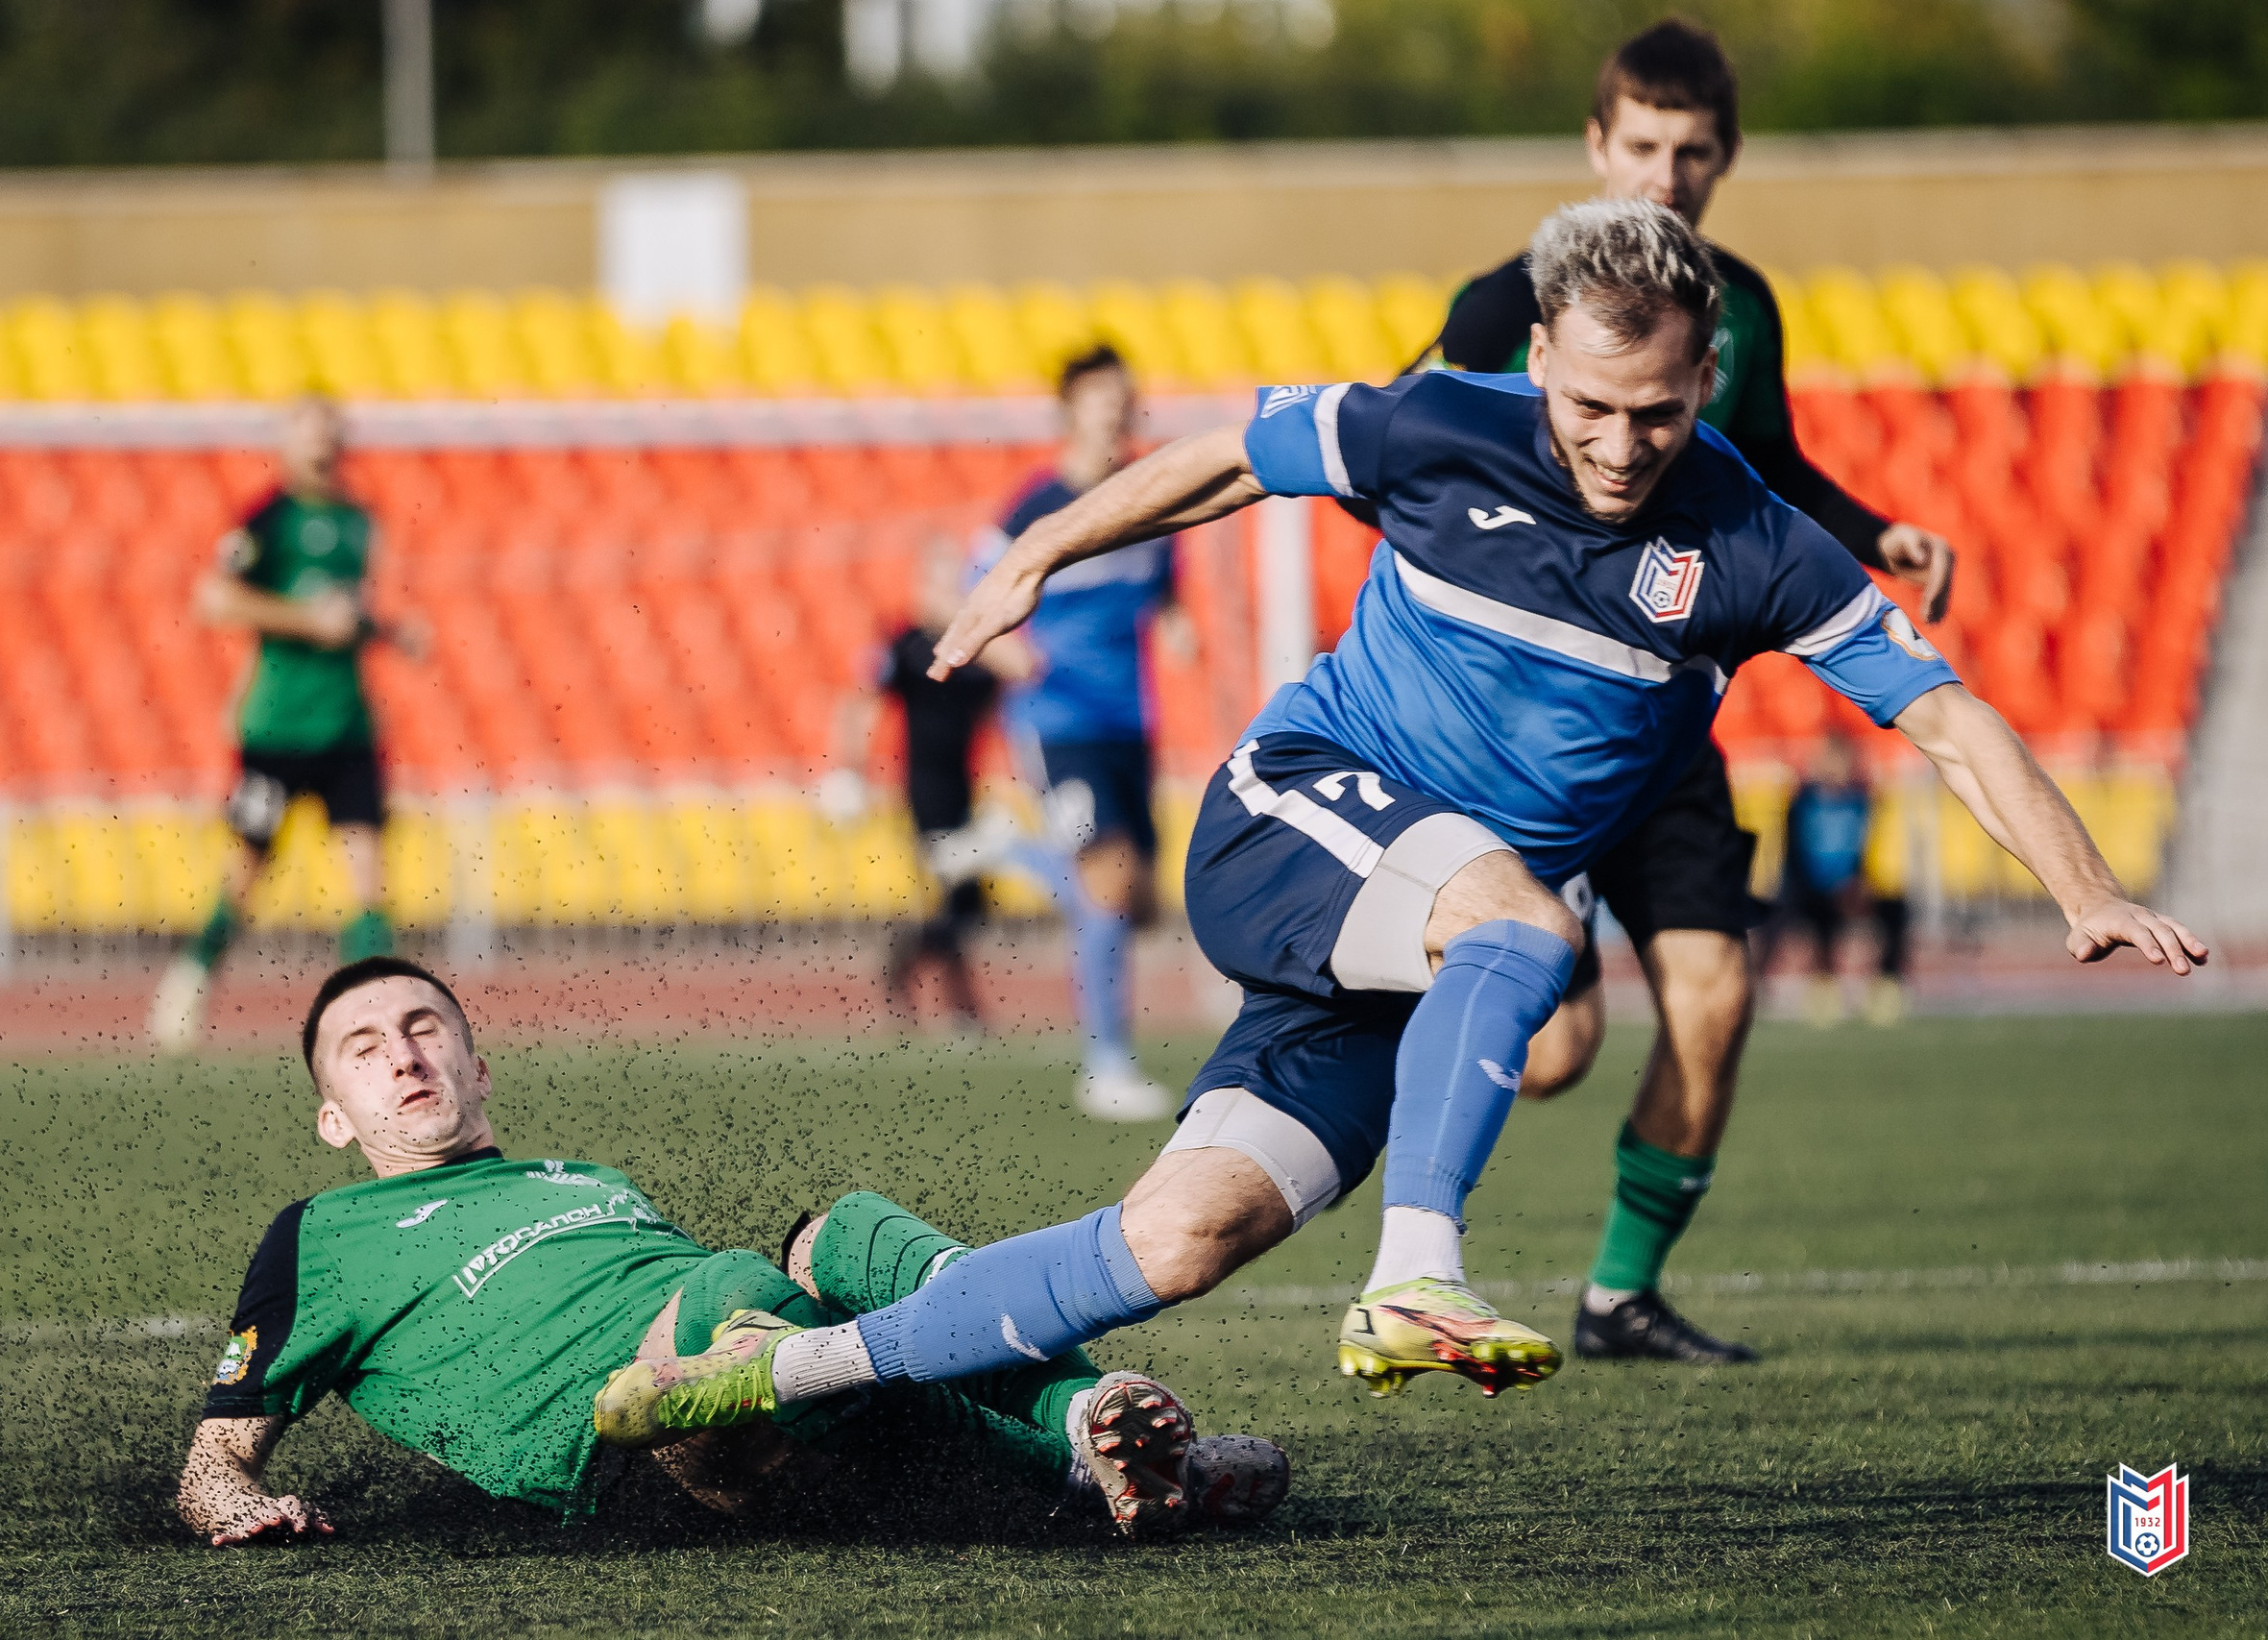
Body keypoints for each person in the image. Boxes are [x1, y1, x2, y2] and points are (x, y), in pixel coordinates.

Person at [597, 199, 2204, 1444]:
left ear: (1704, 377)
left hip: (1412, 935)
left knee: (1176, 1239)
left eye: (1655, 412)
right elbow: (1226, 463)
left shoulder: (1757, 542)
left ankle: (770, 1371)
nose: (1620, 445)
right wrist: (1036, 555)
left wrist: (2084, 886)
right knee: (1526, 923)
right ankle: (1416, 1274)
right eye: (1591, 404)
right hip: (1294, 816)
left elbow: (1950, 716)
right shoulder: (1437, 426)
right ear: (1542, 357)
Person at [1397, 16, 1963, 1364]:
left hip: (1662, 722)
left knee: (1715, 996)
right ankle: (1390, 1034)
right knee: (1552, 1054)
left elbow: (1770, 467)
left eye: (1692, 151)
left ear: (1726, 158)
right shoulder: (1503, 306)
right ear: (1597, 144)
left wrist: (1873, 530)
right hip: (1516, 739)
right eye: (1643, 145)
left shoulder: (1740, 307)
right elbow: (1409, 459)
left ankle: (1620, 1296)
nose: (1665, 174)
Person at [178, 956, 1288, 1546]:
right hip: (630, 1442)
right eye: (363, 1048)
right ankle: (1087, 1465)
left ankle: (1088, 1421)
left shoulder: (586, 1178)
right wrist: (239, 1509)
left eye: (425, 1029)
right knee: (736, 1287)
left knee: (838, 1232)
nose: (403, 1056)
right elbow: (214, 1457)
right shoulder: (319, 1239)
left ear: (479, 1067)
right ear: (334, 1118)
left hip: (761, 1358)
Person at [150, 396, 429, 1054]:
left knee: (369, 880)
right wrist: (307, 621)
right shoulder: (267, 519)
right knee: (246, 873)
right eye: (308, 433)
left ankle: (374, 1019)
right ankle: (191, 975)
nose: (320, 445)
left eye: (330, 433)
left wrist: (387, 632)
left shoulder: (360, 521)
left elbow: (346, 613)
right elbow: (215, 598)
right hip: (277, 731)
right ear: (285, 445)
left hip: (347, 727)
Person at [975, 344, 1195, 1119]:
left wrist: (1176, 623)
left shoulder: (1150, 497)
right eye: (1101, 398)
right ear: (1069, 410)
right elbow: (971, 595)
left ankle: (1011, 849)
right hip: (1057, 719)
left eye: (1124, 398)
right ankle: (1106, 1064)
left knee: (1140, 899)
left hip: (1129, 720)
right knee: (1107, 881)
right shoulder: (1034, 508)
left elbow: (1163, 587)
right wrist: (1005, 650)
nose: (1116, 411)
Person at [822, 536, 1032, 1035]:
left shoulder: (978, 647)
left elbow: (1024, 671)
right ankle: (958, 1005)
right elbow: (862, 701)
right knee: (951, 893)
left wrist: (975, 627)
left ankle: (908, 969)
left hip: (969, 785)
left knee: (970, 901)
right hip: (924, 787)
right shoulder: (905, 643)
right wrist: (850, 769)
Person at [1756, 729, 1912, 1027]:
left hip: (1851, 885)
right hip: (1808, 887)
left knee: (1896, 908)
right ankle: (1814, 981)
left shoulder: (1862, 800)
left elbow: (1867, 848)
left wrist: (1857, 882)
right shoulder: (1802, 800)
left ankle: (1886, 982)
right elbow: (1793, 855)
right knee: (1800, 911)